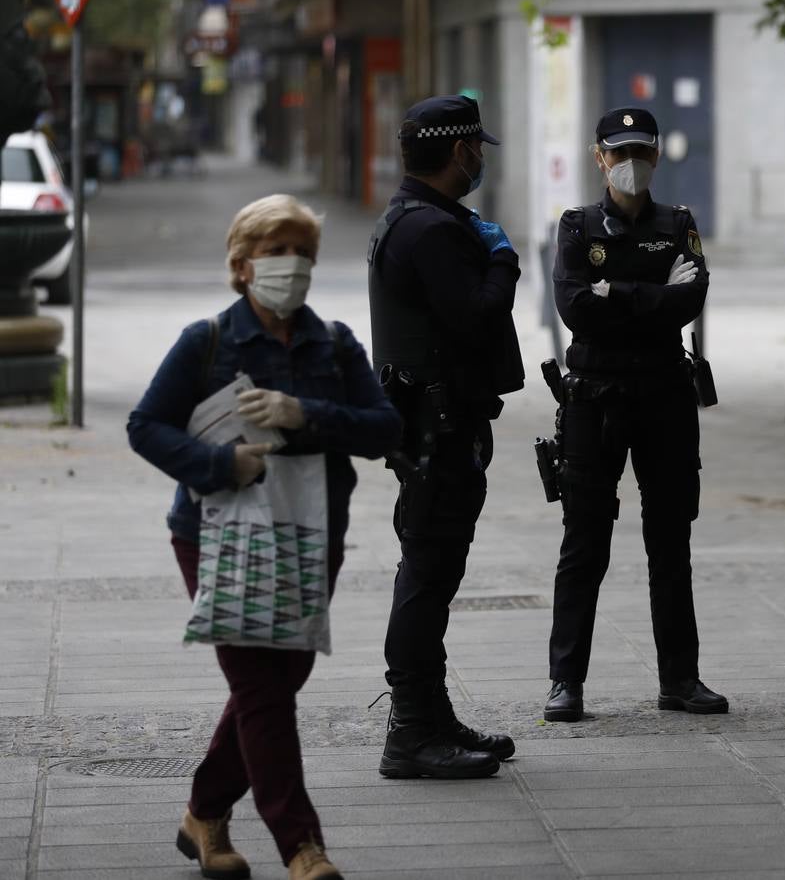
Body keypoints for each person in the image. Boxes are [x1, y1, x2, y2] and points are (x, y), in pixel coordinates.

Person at [128, 193, 402, 880]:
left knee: (283, 677)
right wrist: (221, 463)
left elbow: (382, 428)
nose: (292, 267)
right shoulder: (207, 342)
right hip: (219, 533)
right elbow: (146, 426)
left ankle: (204, 814)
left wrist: (301, 411)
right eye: (277, 253)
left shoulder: (333, 342)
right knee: (260, 687)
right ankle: (301, 846)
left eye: (303, 254)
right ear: (243, 266)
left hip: (311, 530)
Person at [542, 106, 727, 723]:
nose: (629, 165)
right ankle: (565, 682)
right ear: (599, 159)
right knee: (584, 544)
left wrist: (614, 294)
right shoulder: (576, 226)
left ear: (656, 156)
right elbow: (574, 308)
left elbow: (692, 296)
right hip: (595, 399)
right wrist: (653, 295)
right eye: (617, 154)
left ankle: (681, 678)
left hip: (665, 398)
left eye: (639, 153)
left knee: (670, 542)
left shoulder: (679, 223)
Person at [367, 95, 523, 778]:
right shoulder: (430, 230)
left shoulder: (412, 219)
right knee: (428, 575)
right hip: (438, 428)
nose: (480, 160)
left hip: (433, 423)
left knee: (433, 570)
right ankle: (410, 733)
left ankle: (431, 716)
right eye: (476, 150)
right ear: (459, 152)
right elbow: (474, 320)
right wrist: (503, 265)